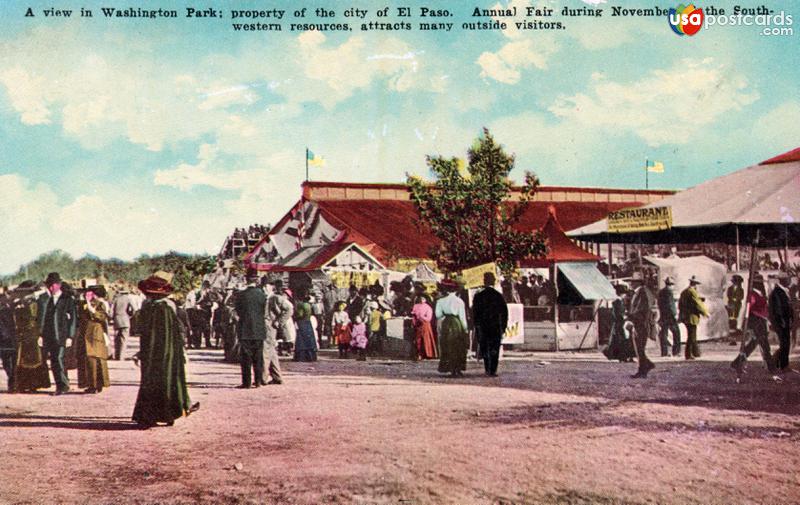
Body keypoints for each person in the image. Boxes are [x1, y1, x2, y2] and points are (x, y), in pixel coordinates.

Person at [132, 275, 199, 428]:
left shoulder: (151, 308)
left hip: (152, 353)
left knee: (151, 382)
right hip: (166, 353)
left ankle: (150, 415)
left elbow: (147, 334)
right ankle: (168, 413)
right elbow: (173, 334)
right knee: (167, 382)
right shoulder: (165, 308)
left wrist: (142, 352)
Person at [37, 272, 76, 395]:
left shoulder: (67, 299)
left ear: (58, 285)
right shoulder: (46, 300)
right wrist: (41, 335)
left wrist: (70, 336)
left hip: (62, 336)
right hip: (49, 336)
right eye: (49, 285)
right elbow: (41, 319)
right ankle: (62, 383)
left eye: (52, 285)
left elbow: (74, 319)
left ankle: (63, 386)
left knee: (59, 359)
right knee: (54, 360)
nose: (50, 288)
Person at [731, 273, 776, 378]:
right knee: (764, 344)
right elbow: (749, 308)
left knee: (755, 344)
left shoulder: (759, 293)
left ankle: (737, 362)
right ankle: (771, 367)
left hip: (761, 321)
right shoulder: (752, 295)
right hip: (756, 321)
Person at [10, 281, 51, 393]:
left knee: (33, 360)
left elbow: (37, 318)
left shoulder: (37, 301)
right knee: (28, 360)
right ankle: (28, 385)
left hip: (33, 333)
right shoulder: (27, 301)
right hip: (27, 333)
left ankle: (32, 384)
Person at [234, 271, 267, 388]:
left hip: (245, 329)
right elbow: (264, 311)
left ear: (246, 280)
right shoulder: (262, 295)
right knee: (258, 357)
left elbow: (238, 311)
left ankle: (246, 382)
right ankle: (258, 381)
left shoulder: (241, 295)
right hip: (259, 329)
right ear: (256, 280)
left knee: (246, 358)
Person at [75, 286, 111, 394]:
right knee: (87, 359)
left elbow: (102, 317)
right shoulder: (84, 303)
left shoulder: (101, 304)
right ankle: (90, 384)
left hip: (96, 333)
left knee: (96, 359)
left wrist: (92, 310)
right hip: (86, 333)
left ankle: (97, 385)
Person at [472, 272, 508, 377]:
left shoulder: (478, 296)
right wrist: (504, 327)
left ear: (484, 281)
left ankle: (487, 368)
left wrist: (476, 325)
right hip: (496, 326)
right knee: (494, 348)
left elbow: (475, 312)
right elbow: (504, 313)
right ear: (493, 281)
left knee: (484, 347)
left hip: (482, 326)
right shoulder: (498, 296)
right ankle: (493, 370)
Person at [436, 279, 469, 377]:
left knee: (447, 345)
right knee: (458, 346)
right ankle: (457, 369)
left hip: (446, 322)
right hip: (456, 323)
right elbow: (462, 317)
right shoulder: (459, 301)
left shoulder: (440, 301)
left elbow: (438, 315)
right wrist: (465, 329)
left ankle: (449, 368)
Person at [629, 277, 656, 378]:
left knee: (639, 348)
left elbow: (640, 309)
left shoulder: (642, 293)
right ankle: (645, 366)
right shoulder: (640, 292)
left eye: (632, 282)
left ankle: (643, 370)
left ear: (637, 283)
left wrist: (630, 318)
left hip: (640, 324)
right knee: (639, 348)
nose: (630, 284)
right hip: (639, 323)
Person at [678, 275, 709, 360]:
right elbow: (697, 303)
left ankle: (695, 353)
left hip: (685, 316)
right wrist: (705, 313)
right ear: (694, 284)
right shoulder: (692, 292)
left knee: (691, 335)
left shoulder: (684, 291)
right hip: (692, 316)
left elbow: (681, 304)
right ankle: (689, 354)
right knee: (692, 336)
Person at [603, 284, 635, 362]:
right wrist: (626, 316)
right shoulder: (618, 302)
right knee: (622, 341)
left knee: (620, 340)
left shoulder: (618, 301)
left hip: (619, 323)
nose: (625, 295)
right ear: (622, 293)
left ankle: (622, 357)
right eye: (624, 293)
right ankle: (623, 357)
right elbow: (619, 314)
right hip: (620, 323)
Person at [259, 281, 283, 385]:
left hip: (269, 326)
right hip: (265, 326)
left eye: (266, 286)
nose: (264, 288)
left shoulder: (275, 298)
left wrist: (279, 321)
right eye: (263, 286)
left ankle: (263, 378)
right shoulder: (266, 298)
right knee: (272, 352)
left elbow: (289, 309)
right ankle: (277, 376)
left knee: (265, 351)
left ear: (271, 287)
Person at [770, 272, 794, 373]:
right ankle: (782, 365)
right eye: (788, 279)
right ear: (783, 280)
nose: (789, 281)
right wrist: (782, 321)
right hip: (781, 322)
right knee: (785, 343)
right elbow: (778, 308)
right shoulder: (777, 292)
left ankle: (776, 362)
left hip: (785, 321)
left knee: (785, 343)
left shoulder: (783, 291)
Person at [657, 277, 681, 357]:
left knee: (664, 334)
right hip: (670, 317)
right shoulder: (669, 292)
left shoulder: (661, 292)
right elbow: (670, 305)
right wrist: (675, 314)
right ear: (671, 285)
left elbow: (661, 304)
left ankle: (664, 352)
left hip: (663, 315)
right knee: (676, 333)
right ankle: (676, 351)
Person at [110, 288, 136, 360]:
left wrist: (112, 318)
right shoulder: (128, 299)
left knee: (117, 339)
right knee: (124, 339)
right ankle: (121, 356)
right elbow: (134, 309)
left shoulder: (116, 299)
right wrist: (130, 316)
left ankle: (117, 355)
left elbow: (111, 310)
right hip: (125, 319)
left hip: (117, 319)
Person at [293, 290, 318, 362]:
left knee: (301, 339)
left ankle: (302, 357)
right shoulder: (308, 305)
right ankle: (311, 356)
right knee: (309, 339)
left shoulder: (300, 304)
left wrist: (295, 317)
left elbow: (300, 314)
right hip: (308, 321)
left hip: (302, 322)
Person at [270, 287, 296, 357]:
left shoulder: (287, 303)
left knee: (287, 335)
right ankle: (281, 350)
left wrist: (281, 319)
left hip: (286, 319)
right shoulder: (280, 301)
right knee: (281, 335)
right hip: (280, 319)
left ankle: (289, 350)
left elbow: (289, 311)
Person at [0, 288, 17, 392]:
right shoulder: (5, 308)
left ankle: (13, 383)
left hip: (11, 338)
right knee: (7, 362)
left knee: (12, 362)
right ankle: (12, 383)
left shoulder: (11, 307)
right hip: (4, 339)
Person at [411, 295, 437, 360]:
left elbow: (429, 318)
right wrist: (414, 320)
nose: (421, 300)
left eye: (423, 298)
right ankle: (418, 354)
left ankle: (427, 354)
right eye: (420, 298)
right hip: (417, 324)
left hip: (425, 324)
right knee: (417, 340)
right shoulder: (416, 306)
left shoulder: (428, 307)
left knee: (425, 339)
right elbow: (413, 315)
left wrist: (421, 317)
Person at [725, 275, 745, 342]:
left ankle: (735, 329)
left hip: (737, 304)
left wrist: (737, 299)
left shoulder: (741, 289)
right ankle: (731, 329)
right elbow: (728, 295)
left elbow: (741, 296)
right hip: (731, 303)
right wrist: (732, 299)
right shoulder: (730, 288)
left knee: (736, 316)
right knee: (730, 316)